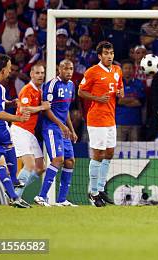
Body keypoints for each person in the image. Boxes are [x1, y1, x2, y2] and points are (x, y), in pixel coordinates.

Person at [78, 41, 124, 207]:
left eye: (111, 53)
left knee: (110, 153)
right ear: (99, 56)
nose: (109, 56)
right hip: (96, 119)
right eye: (106, 53)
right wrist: (97, 98)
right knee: (98, 154)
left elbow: (121, 91)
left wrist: (120, 93)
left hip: (111, 118)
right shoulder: (92, 72)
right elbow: (80, 91)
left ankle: (101, 188)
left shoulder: (117, 70)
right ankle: (93, 192)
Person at [0, 54, 31, 208]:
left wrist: (10, 103)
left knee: (0, 161)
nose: (10, 71)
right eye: (9, 68)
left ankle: (13, 197)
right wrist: (19, 119)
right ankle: (13, 179)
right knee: (9, 145)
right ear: (3, 70)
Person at [35, 60, 78, 207]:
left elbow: (65, 111)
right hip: (52, 128)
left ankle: (61, 200)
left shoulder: (71, 85)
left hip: (63, 129)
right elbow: (46, 109)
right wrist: (60, 125)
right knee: (58, 160)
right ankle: (41, 196)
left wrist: (71, 129)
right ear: (59, 69)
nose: (69, 71)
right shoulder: (52, 84)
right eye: (66, 68)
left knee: (70, 161)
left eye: (71, 68)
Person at [11, 63, 50, 198]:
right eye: (37, 73)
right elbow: (23, 109)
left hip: (30, 133)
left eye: (42, 73)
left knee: (40, 167)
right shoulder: (27, 89)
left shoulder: (39, 90)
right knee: (29, 164)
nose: (40, 76)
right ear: (31, 74)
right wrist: (41, 107)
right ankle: (14, 197)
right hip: (20, 130)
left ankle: (13, 190)